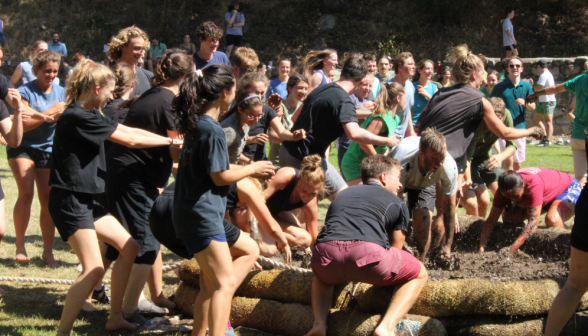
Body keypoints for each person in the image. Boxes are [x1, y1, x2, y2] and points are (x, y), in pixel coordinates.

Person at [49, 59, 183, 335]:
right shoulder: (78, 116)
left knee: (131, 246)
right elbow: (130, 140)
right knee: (94, 269)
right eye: (109, 91)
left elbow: (129, 132)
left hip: (86, 201)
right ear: (96, 88)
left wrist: (170, 139)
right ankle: (63, 332)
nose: (113, 96)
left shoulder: (93, 113)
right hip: (70, 201)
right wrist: (170, 141)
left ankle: (115, 317)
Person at [172, 64, 275, 336]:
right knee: (223, 284)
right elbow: (220, 176)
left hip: (195, 212)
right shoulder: (213, 130)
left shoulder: (199, 123)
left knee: (248, 249)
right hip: (201, 215)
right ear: (226, 93)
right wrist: (254, 168)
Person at [415, 45, 542, 259]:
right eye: (483, 72)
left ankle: (421, 254)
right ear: (474, 74)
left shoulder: (439, 93)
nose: (484, 76)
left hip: (420, 153)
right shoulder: (479, 99)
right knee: (445, 211)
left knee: (425, 210)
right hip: (446, 160)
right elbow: (504, 132)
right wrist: (531, 130)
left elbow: (419, 125)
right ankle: (438, 254)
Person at [103, 52, 191, 323]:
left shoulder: (155, 94)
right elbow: (177, 151)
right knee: (147, 243)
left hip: (128, 176)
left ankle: (122, 308)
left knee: (130, 243)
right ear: (186, 77)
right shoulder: (169, 103)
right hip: (134, 179)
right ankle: (128, 311)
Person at [304, 155, 427, 336]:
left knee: (322, 277)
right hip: (367, 256)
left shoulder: (341, 195)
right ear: (384, 178)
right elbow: (395, 250)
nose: (400, 185)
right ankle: (387, 327)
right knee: (420, 273)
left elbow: (331, 231)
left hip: (325, 255)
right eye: (398, 178)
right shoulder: (399, 203)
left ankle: (319, 325)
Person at [281, 57, 399, 200]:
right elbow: (354, 134)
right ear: (361, 82)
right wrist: (387, 141)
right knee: (301, 205)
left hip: (292, 151)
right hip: (301, 157)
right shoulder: (344, 101)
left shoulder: (322, 88)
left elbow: (294, 118)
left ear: (342, 71)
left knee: (337, 196)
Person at [10, 51, 66, 266]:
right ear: (36, 71)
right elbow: (22, 124)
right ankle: (20, 246)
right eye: (46, 71)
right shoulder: (25, 91)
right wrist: (50, 114)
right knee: (26, 194)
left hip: (49, 149)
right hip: (23, 146)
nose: (51, 75)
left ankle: (48, 250)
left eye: (54, 71)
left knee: (48, 199)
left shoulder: (62, 92)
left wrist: (48, 116)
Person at [388, 130, 458, 260]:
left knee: (423, 220)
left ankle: (420, 261)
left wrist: (448, 245)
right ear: (421, 154)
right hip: (399, 176)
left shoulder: (449, 167)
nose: (439, 163)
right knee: (394, 215)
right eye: (434, 159)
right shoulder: (402, 162)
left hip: (426, 181)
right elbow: (394, 205)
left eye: (441, 159)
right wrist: (398, 241)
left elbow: (449, 207)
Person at [479, 168, 579, 252]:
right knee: (509, 218)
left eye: (516, 196)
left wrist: (511, 250)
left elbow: (532, 225)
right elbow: (491, 220)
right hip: (544, 196)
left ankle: (573, 241)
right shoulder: (502, 190)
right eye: (509, 198)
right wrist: (481, 248)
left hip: (568, 188)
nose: (513, 200)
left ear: (523, 185)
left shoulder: (533, 185)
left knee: (552, 220)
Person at [527, 72, 588, 187]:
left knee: (581, 181)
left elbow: (556, 88)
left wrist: (537, 94)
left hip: (577, 136)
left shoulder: (581, 79)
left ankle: (576, 204)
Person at [461, 97, 516, 217]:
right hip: (469, 160)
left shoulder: (507, 115)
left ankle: (507, 228)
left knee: (503, 196)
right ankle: (478, 228)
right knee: (484, 200)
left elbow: (513, 145)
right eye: (492, 122)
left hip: (486, 157)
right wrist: (468, 180)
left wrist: (500, 156)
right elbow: (467, 158)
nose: (495, 126)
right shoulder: (476, 122)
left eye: (498, 122)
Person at [342, 82, 404, 185]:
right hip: (355, 164)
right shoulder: (381, 117)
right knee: (362, 198)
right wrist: (378, 161)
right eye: (405, 97)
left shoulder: (395, 119)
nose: (407, 101)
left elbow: (384, 143)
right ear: (398, 98)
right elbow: (364, 142)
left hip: (368, 165)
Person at [238, 71, 305, 162]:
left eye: (262, 93)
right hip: (240, 164)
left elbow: (281, 132)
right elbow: (230, 143)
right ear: (244, 91)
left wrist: (294, 136)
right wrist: (251, 139)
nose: (259, 96)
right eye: (255, 92)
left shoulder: (267, 111)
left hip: (261, 162)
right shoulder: (238, 112)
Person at [260, 155, 324, 249]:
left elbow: (313, 237)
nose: (307, 196)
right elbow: (257, 199)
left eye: (312, 193)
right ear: (299, 179)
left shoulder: (311, 202)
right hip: (250, 208)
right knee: (268, 249)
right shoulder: (286, 176)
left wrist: (317, 259)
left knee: (304, 239)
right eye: (304, 190)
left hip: (274, 212)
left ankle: (273, 241)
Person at [490, 56, 536, 171]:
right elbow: (490, 104)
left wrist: (525, 102)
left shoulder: (526, 86)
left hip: (519, 127)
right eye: (511, 66)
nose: (514, 68)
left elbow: (533, 106)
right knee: (508, 160)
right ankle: (506, 184)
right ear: (507, 69)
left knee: (517, 163)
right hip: (503, 128)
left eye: (517, 66)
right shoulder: (499, 87)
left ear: (522, 69)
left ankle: (514, 184)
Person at [268, 74, 309, 166]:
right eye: (300, 88)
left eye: (306, 88)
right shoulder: (279, 107)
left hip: (297, 160)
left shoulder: (303, 108)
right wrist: (293, 139)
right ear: (290, 89)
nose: (304, 92)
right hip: (278, 162)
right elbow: (271, 135)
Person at [337, 74, 374, 173]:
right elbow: (351, 113)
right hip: (347, 146)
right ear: (359, 84)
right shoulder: (350, 98)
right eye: (365, 85)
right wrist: (370, 113)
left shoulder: (368, 101)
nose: (367, 88)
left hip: (361, 148)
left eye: (370, 86)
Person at [107, 26, 153, 97]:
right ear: (123, 47)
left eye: (143, 49)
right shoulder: (108, 76)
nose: (141, 53)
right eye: (136, 48)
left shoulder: (149, 77)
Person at [221, 91, 264, 164]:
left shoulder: (246, 123)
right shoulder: (229, 132)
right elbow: (215, 159)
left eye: (259, 115)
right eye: (251, 115)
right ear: (240, 110)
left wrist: (251, 162)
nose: (256, 120)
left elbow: (233, 153)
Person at [388, 52, 416, 138]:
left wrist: (411, 131)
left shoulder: (410, 85)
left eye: (414, 64)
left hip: (402, 136)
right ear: (400, 67)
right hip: (389, 137)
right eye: (410, 64)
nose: (414, 67)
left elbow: (407, 109)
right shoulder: (389, 87)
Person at [532, 60, 556, 148]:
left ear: (539, 66)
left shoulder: (544, 75)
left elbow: (539, 87)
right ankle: (544, 137)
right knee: (536, 119)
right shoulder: (546, 74)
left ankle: (548, 141)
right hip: (542, 101)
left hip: (549, 101)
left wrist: (532, 85)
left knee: (548, 122)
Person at [411, 59, 437, 126]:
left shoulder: (434, 88)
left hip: (429, 125)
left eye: (432, 69)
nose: (430, 71)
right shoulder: (411, 87)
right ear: (419, 70)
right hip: (413, 125)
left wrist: (427, 95)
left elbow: (438, 106)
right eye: (427, 68)